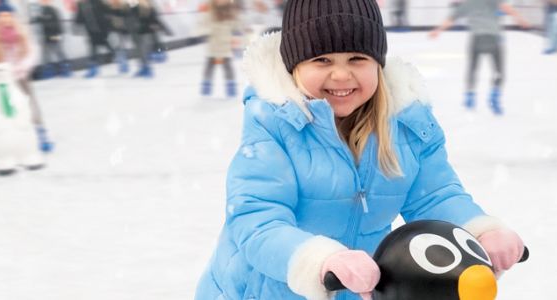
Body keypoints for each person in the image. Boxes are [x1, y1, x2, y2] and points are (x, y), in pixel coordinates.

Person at [194, 0, 526, 299]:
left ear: (377, 65)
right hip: (263, 291)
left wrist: (480, 230)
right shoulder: (274, 124)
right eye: (321, 59)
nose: (341, 74)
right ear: (295, 65)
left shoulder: (407, 124)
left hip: (358, 288)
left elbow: (434, 196)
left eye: (357, 58)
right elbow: (257, 218)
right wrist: (319, 260)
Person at [0, 0, 52, 175]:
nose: (4, 19)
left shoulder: (21, 32)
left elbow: (32, 51)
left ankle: (39, 132)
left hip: (17, 74)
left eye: (8, 15)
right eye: (0, 16)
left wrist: (23, 66)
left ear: (13, 17)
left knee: (29, 102)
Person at [429, 0, 530, 115]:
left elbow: (451, 19)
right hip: (493, 38)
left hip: (477, 39)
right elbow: (508, 8)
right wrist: (520, 19)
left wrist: (438, 30)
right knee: (498, 71)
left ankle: (470, 95)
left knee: (472, 68)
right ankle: (494, 96)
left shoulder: (468, 3)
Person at [199, 0, 242, 97]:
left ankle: (231, 88)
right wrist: (206, 31)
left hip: (226, 44)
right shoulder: (210, 12)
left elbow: (236, 26)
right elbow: (203, 25)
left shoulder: (231, 11)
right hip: (214, 44)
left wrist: (237, 38)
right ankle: (206, 88)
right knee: (209, 67)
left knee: (228, 67)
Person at [74, 0, 114, 78]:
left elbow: (107, 10)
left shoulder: (97, 2)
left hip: (101, 30)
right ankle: (93, 69)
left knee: (105, 45)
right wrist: (77, 20)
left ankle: (114, 54)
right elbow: (79, 19)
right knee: (93, 49)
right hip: (91, 31)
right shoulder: (81, 5)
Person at [33, 0, 71, 78]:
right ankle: (50, 71)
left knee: (58, 51)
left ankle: (65, 69)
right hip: (47, 35)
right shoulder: (42, 11)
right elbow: (38, 19)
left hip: (54, 34)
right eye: (41, 1)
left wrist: (59, 34)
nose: (42, 2)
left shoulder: (52, 10)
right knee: (47, 53)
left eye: (44, 1)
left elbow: (56, 23)